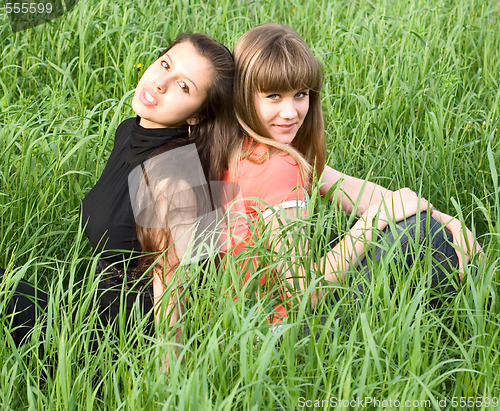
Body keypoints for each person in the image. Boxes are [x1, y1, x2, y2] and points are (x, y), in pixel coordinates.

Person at [222, 23, 481, 322]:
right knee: (419, 234)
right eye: (274, 96)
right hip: (287, 334)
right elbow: (303, 291)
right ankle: (461, 314)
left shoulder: (245, 149)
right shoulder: (277, 167)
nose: (291, 112)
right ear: (242, 94)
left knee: (415, 223)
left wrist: (450, 220)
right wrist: (372, 223)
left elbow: (370, 196)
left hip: (246, 320)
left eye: (300, 94)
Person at [1, 32, 237, 354]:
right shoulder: (130, 130)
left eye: (184, 87)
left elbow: (172, 301)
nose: (160, 83)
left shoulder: (170, 180)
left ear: (197, 115)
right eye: (165, 64)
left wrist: (166, 388)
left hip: (110, 347)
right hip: (83, 311)